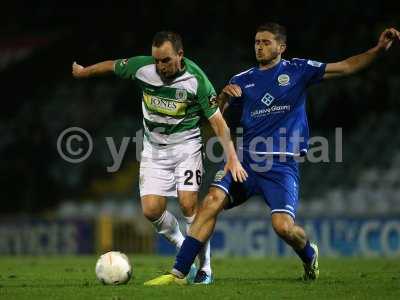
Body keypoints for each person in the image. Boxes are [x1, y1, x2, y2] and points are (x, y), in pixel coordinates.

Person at [144, 23, 400, 285]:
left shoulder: (298, 70)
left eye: (266, 42)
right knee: (211, 201)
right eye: (256, 42)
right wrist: (223, 97)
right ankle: (180, 272)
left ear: (281, 47)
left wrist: (379, 49)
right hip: (246, 161)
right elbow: (216, 119)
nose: (259, 46)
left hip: (281, 164)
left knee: (283, 228)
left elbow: (346, 66)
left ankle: (309, 253)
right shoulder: (241, 80)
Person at [72, 31, 247, 284]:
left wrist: (231, 156)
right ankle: (182, 245)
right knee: (152, 210)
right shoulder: (142, 67)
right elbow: (112, 66)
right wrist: (84, 72)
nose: (160, 66)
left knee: (188, 204)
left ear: (180, 55)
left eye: (165, 60)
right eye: (156, 60)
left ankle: (205, 268)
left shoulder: (196, 80)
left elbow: (218, 122)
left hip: (186, 146)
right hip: (154, 149)